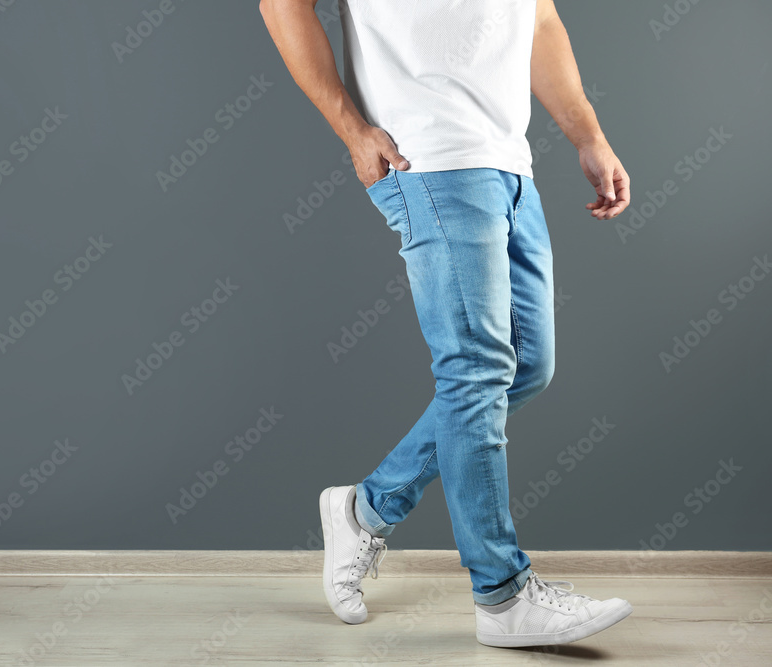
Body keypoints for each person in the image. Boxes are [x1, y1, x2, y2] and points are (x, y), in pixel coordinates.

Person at [259, 0, 634, 647]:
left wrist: (588, 136)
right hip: (426, 154)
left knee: (524, 363)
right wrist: (353, 129)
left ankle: (366, 507)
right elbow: (281, 5)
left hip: (507, 161)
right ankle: (503, 594)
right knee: (476, 369)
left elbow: (538, 19)